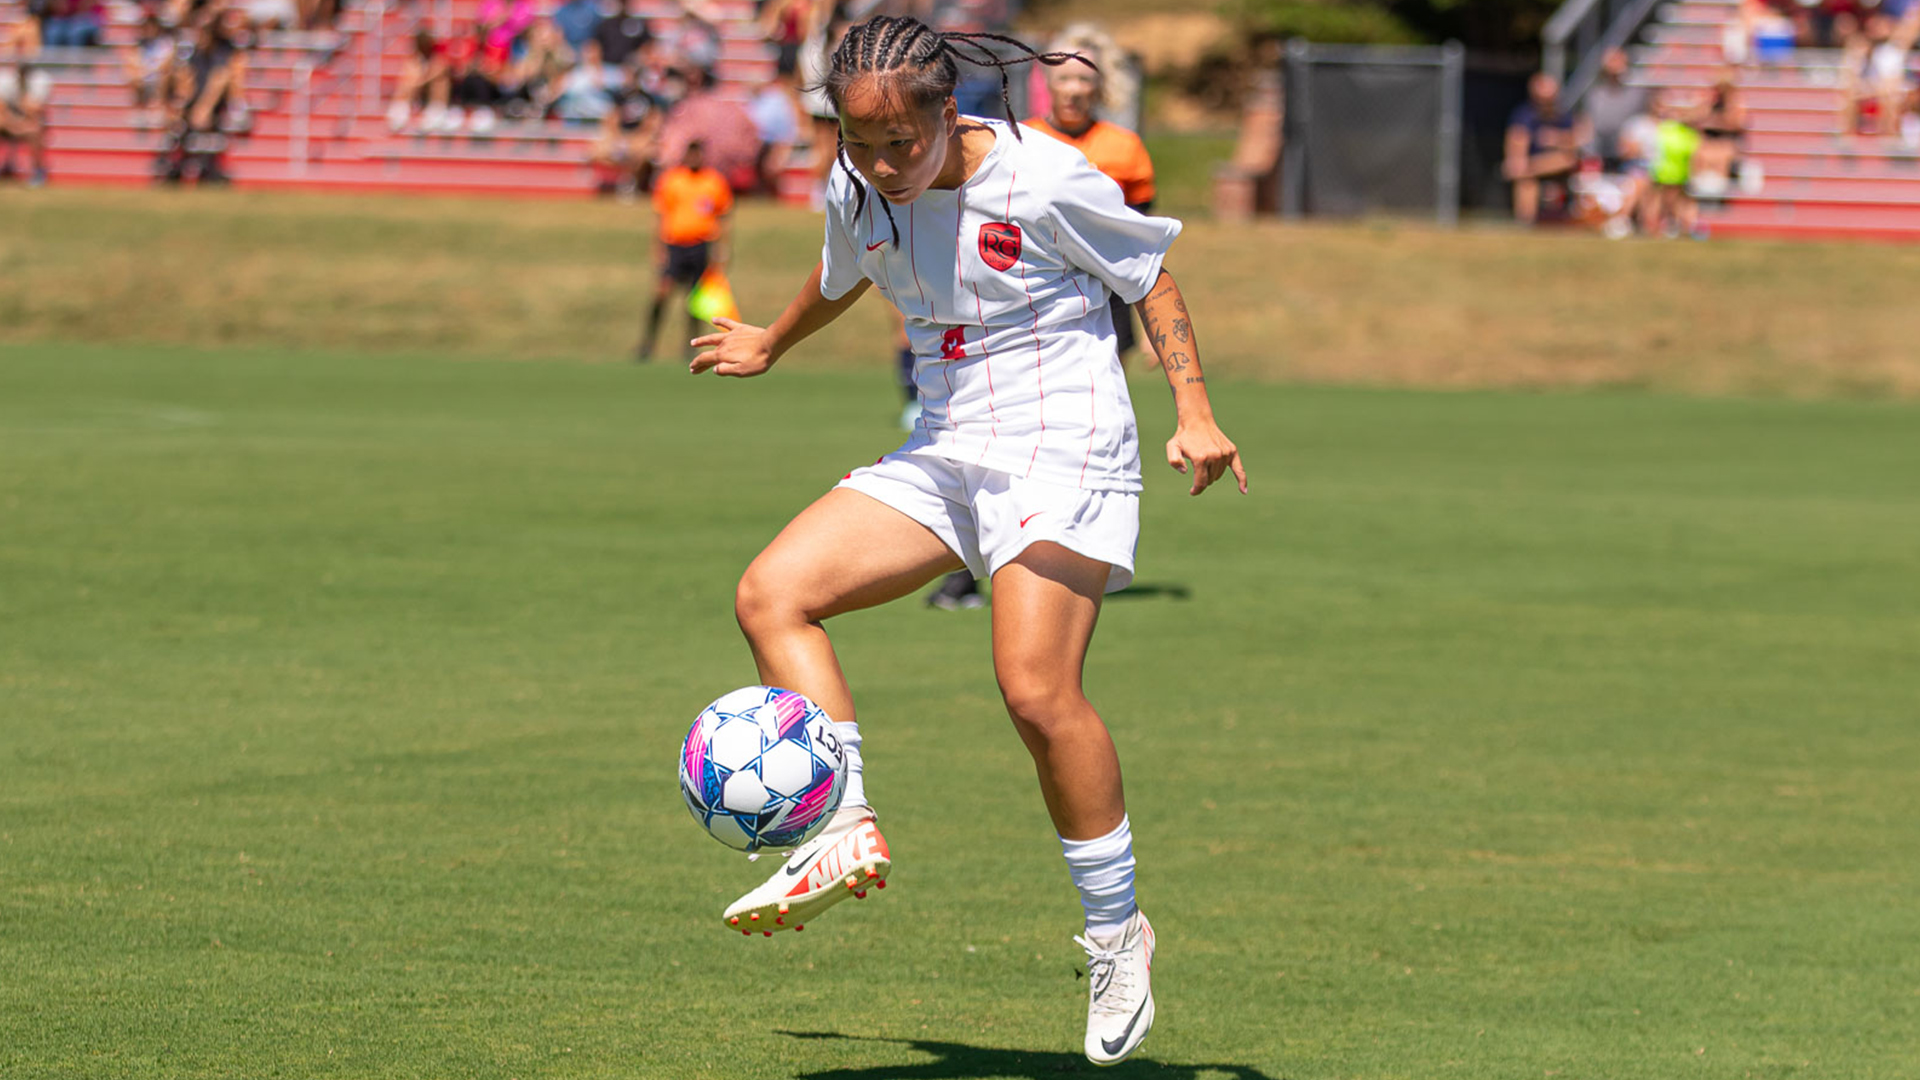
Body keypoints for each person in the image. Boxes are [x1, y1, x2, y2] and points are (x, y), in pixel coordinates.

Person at [687, 16, 1246, 1067]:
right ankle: (843, 825)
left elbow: (1150, 278)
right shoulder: (858, 187)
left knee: (1034, 690)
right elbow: (843, 270)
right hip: (950, 449)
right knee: (773, 593)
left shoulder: (1044, 179)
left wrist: (1196, 410)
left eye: (905, 143)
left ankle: (1119, 933)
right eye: (864, 145)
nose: (888, 165)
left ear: (951, 113)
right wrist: (770, 335)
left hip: (1066, 447)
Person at [641, 139, 732, 361]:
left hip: (701, 246)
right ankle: (648, 343)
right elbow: (661, 215)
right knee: (662, 293)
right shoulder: (672, 180)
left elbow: (723, 217)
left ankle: (689, 346)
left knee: (695, 300)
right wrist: (658, 248)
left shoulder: (713, 181)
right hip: (675, 246)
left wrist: (722, 249)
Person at [1504, 72, 1590, 224]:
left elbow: (1578, 141)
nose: (1545, 102)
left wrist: (1555, 139)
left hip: (1564, 163)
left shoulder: (1565, 115)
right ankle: (1525, 223)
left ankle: (1526, 170)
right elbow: (1517, 139)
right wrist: (1516, 160)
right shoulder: (1524, 115)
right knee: (1526, 180)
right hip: (1535, 163)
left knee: (1564, 159)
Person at [1584, 48, 1647, 171]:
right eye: (1611, 60)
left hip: (1632, 154)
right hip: (1601, 151)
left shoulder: (1639, 92)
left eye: (1617, 59)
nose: (1614, 64)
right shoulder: (1595, 94)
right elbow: (1589, 124)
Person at [0, 60, 51, 186]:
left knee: (35, 132)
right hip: (11, 123)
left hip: (26, 124)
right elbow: (2, 111)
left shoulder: (41, 81)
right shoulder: (5, 81)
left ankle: (38, 172)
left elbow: (35, 112)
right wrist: (15, 124)